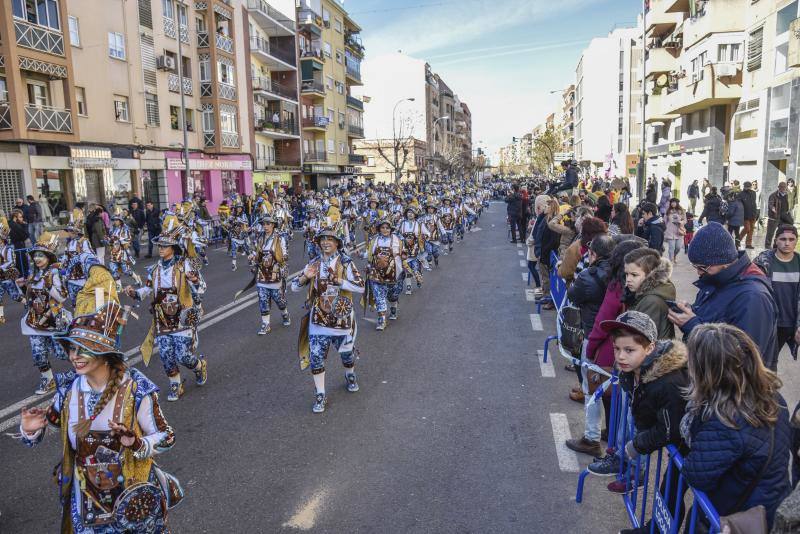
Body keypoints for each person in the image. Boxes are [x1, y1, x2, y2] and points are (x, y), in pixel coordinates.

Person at [19, 300, 183, 533]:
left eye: (83, 348)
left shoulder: (135, 389)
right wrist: (32, 429)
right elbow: (46, 429)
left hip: (132, 497)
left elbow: (166, 436)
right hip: (86, 498)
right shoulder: (67, 390)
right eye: (72, 349)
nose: (75, 356)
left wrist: (137, 442)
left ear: (104, 354)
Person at [681, 324, 792, 531]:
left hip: (736, 517)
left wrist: (695, 420)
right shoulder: (774, 398)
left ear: (707, 372)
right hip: (769, 504)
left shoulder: (725, 420)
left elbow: (696, 474)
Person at [602, 312, 689, 533]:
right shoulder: (636, 370)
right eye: (617, 349)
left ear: (650, 348)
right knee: (669, 488)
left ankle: (659, 530)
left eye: (629, 350)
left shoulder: (668, 382)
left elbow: (668, 431)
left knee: (674, 490)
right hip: (681, 442)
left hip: (695, 443)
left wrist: (636, 445)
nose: (621, 357)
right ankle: (657, 529)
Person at [669, 221, 778, 370]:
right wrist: (692, 312)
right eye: (695, 266)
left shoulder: (753, 297)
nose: (698, 272)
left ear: (725, 262)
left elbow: (744, 361)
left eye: (702, 267)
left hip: (735, 390)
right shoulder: (717, 279)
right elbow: (715, 316)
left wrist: (693, 327)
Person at [125, 216, 208, 401]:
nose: (161, 248)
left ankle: (199, 365)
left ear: (173, 247)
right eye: (159, 245)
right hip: (162, 319)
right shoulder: (154, 269)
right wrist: (133, 293)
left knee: (183, 355)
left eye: (164, 245)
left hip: (182, 317)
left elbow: (202, 286)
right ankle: (176, 385)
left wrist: (194, 280)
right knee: (166, 356)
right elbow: (146, 290)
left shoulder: (184, 264)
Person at [292, 226, 365, 413]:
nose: (325, 242)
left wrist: (341, 282)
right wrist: (303, 278)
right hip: (319, 320)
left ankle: (350, 374)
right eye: (322, 239)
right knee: (316, 358)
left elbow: (361, 287)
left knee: (346, 355)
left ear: (337, 243)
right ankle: (320, 394)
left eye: (330, 239)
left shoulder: (346, 262)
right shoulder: (314, 263)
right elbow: (294, 287)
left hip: (341, 320)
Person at [564, 235, 615, 457]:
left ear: (593, 254)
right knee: (610, 391)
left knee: (592, 390)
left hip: (593, 336)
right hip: (616, 342)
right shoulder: (617, 275)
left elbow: (572, 295)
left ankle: (591, 438)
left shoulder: (588, 276)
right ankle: (610, 433)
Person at [18, 233, 72, 395]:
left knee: (63, 354)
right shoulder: (33, 273)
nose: (37, 258)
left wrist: (49, 286)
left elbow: (62, 297)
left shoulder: (54, 274)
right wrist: (23, 286)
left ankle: (91, 368)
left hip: (54, 319)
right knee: (38, 353)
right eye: (35, 255)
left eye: (41, 255)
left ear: (49, 257)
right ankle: (48, 381)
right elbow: (30, 297)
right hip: (34, 320)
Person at [754, 224, 800, 361]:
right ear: (776, 240)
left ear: (796, 241)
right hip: (771, 322)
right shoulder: (763, 262)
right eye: (783, 239)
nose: (787, 243)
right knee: (766, 362)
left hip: (793, 323)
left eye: (791, 239)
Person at [247, 215, 291, 335]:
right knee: (263, 299)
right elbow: (254, 250)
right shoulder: (260, 237)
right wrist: (252, 255)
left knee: (279, 299)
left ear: (273, 225)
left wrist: (279, 260)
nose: (265, 226)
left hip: (275, 272)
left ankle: (285, 313)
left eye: (268, 224)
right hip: (262, 273)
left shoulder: (279, 238)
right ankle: (266, 324)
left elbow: (285, 255)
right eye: (264, 224)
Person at [623, 248, 676, 340]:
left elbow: (642, 340)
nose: (628, 279)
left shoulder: (651, 301)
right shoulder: (647, 292)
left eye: (634, 275)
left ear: (650, 274)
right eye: (627, 274)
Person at [363, 219, 404, 331]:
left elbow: (404, 253)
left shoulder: (398, 239)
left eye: (387, 228)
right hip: (377, 273)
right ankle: (382, 320)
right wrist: (364, 258)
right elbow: (368, 254)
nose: (385, 230)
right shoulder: (374, 240)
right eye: (382, 228)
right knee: (379, 296)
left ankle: (393, 307)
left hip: (394, 273)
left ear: (390, 229)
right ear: (379, 229)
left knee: (392, 295)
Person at [0, 217, 24, 324]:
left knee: (15, 296)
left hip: (6, 277)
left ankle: (28, 305)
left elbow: (11, 262)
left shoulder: (9, 248)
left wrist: (1, 267)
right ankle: (1, 316)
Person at [766, 181, 793, 248]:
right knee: (770, 232)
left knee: (780, 232)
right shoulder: (773, 195)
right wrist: (773, 208)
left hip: (784, 216)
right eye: (782, 187)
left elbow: (789, 204)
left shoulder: (787, 195)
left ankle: (776, 245)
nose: (783, 188)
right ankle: (767, 245)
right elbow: (770, 204)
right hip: (774, 216)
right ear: (778, 187)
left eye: (784, 187)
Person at [663, 198, 686, 263]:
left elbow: (685, 220)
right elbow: (665, 221)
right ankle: (671, 260)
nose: (673, 203)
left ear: (677, 203)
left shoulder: (682, 211)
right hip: (670, 231)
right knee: (671, 248)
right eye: (672, 202)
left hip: (679, 231)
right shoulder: (668, 211)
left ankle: (674, 256)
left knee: (678, 247)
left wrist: (681, 222)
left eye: (674, 202)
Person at [9, 208, 30, 277]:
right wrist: (25, 225)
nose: (22, 219)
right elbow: (25, 235)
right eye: (20, 217)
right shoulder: (15, 225)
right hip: (18, 247)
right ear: (15, 217)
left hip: (16, 247)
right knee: (22, 266)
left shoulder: (11, 224)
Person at [739, 181, 758, 250]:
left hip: (753, 214)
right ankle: (738, 241)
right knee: (747, 228)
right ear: (744, 186)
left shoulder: (753, 193)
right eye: (746, 186)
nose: (747, 187)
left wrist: (755, 213)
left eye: (748, 186)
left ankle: (748, 244)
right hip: (745, 215)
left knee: (751, 230)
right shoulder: (740, 194)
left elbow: (753, 203)